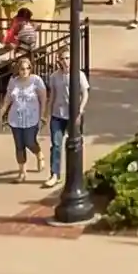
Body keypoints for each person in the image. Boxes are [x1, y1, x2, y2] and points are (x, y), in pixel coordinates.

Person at [0, 55, 50, 184]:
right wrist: (1, 113)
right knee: (19, 145)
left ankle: (39, 154)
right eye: (22, 69)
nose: (25, 71)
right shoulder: (13, 81)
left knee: (29, 141)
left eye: (27, 68)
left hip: (31, 117)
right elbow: (8, 98)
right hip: (16, 117)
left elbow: (43, 99)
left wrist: (43, 115)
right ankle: (22, 172)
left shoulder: (36, 81)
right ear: (18, 69)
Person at [42, 53, 88, 189]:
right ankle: (54, 174)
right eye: (62, 59)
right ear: (59, 60)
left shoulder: (78, 75)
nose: (65, 61)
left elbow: (85, 93)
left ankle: (76, 174)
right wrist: (47, 115)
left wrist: (81, 108)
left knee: (76, 145)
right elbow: (53, 96)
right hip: (58, 114)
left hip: (73, 114)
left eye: (68, 58)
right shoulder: (54, 76)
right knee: (56, 145)